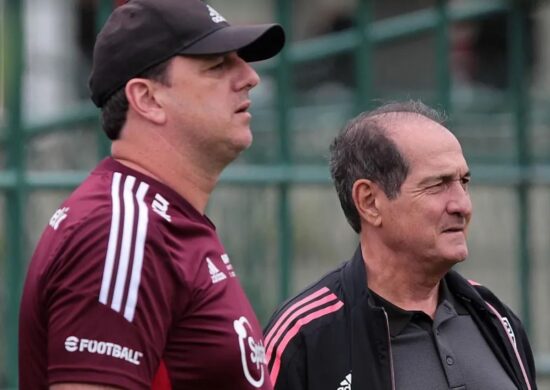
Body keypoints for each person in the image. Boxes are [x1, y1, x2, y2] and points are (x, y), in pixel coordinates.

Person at [19, 0, 285, 388]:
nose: (249, 77)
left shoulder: (157, 219)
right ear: (146, 99)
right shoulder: (121, 230)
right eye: (217, 65)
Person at [264, 101, 537, 390]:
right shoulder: (304, 337)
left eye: (464, 182)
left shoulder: (494, 316)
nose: (462, 205)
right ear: (369, 202)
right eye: (437, 185)